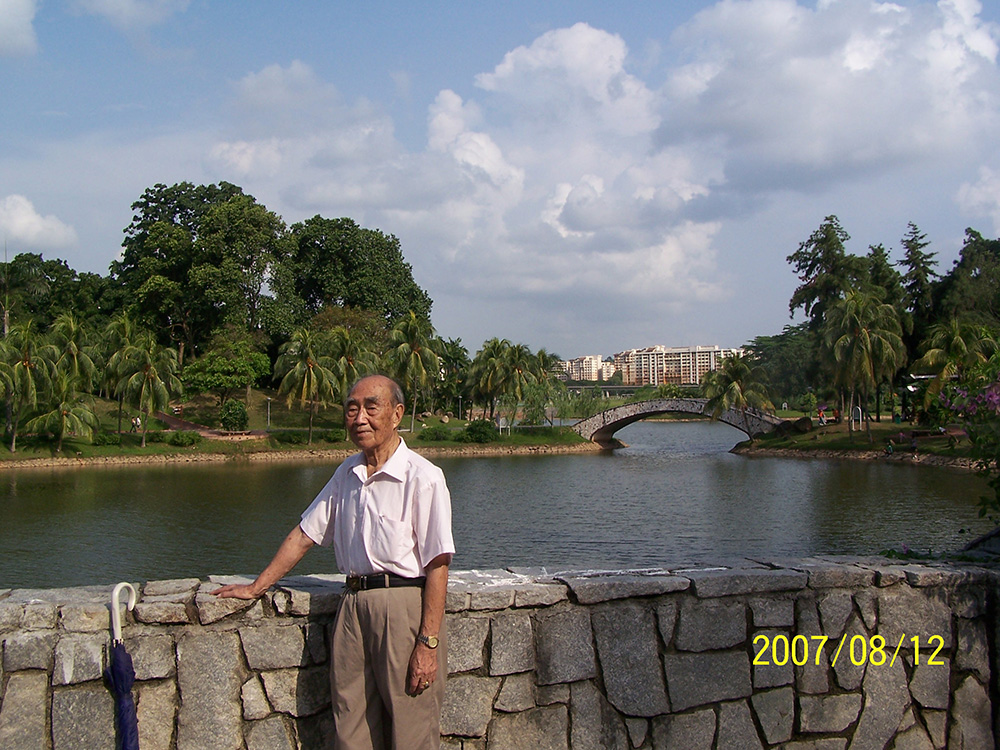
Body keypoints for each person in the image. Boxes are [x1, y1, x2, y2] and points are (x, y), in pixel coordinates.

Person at [213, 374, 455, 750]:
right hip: (352, 606)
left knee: (412, 730)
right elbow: (304, 535)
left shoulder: (423, 477)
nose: (360, 418)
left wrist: (427, 642)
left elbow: (438, 564)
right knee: (351, 723)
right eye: (352, 409)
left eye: (371, 407)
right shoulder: (347, 473)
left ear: (397, 414)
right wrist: (257, 586)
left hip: (403, 608)